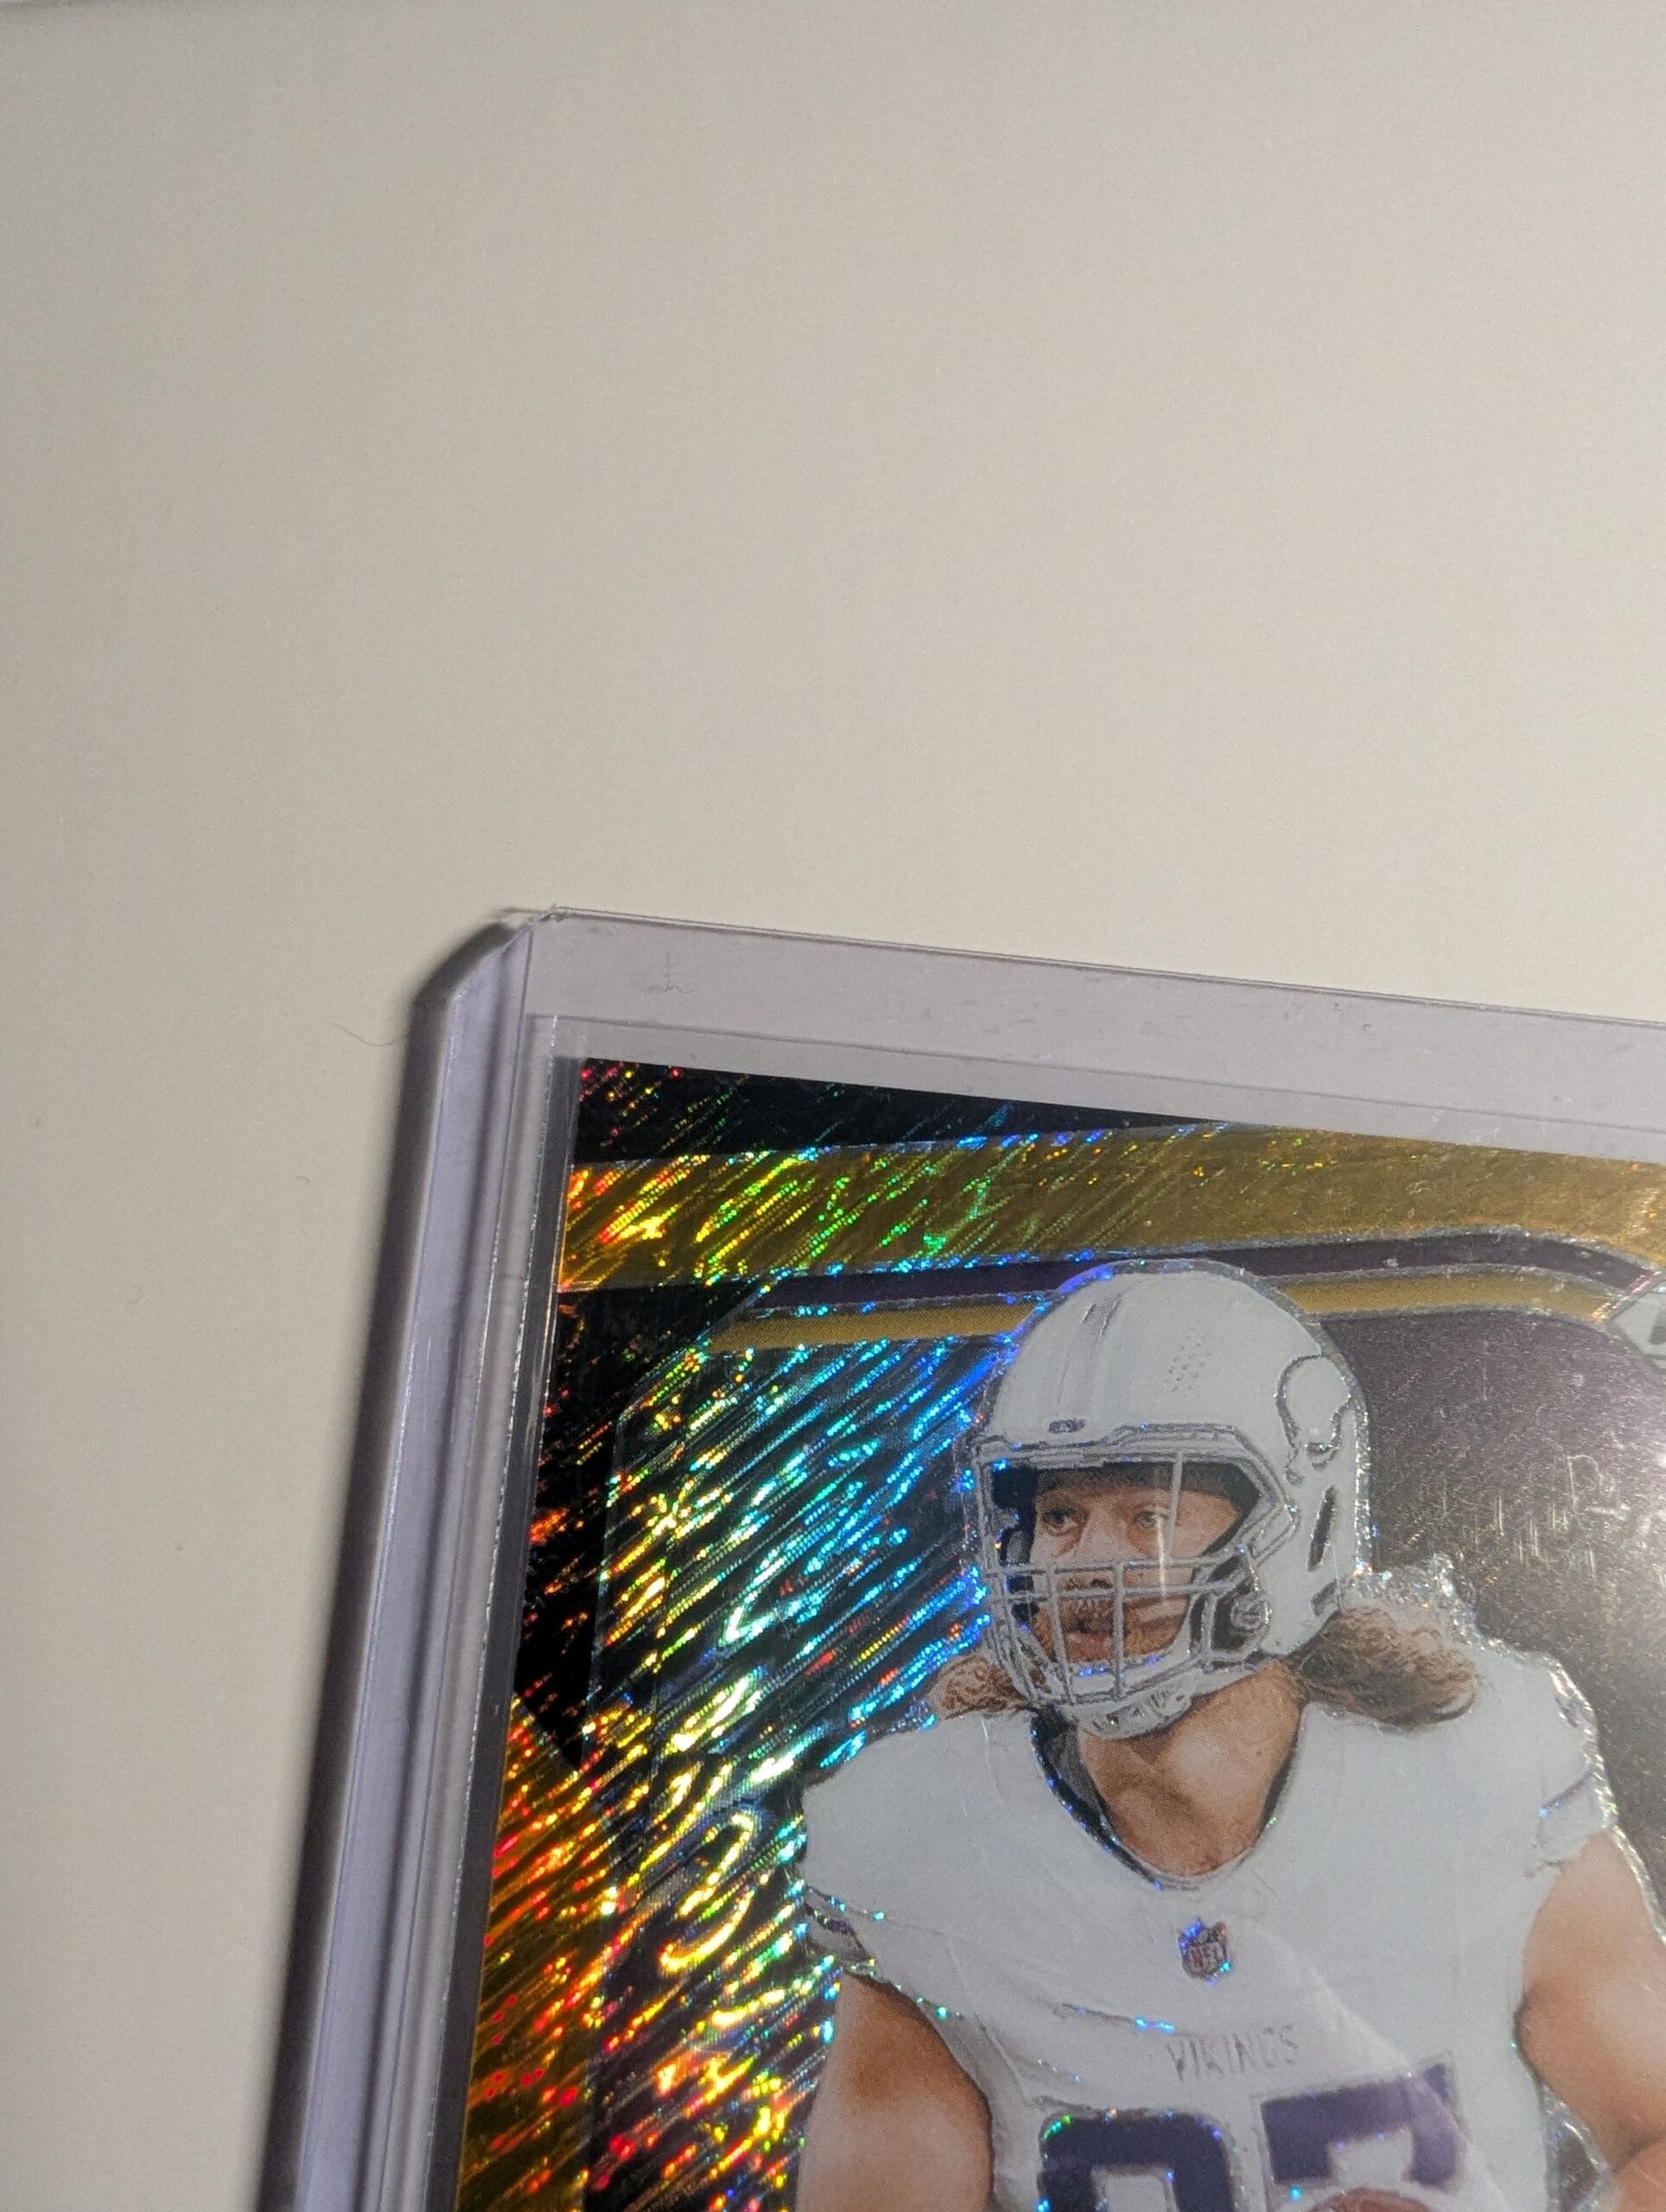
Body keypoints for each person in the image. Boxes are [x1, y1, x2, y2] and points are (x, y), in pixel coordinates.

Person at [794, 1262, 1666, 2212]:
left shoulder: (1475, 1779)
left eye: (1148, 1515)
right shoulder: (934, 1846)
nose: (1086, 1564)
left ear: (1305, 1523)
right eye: (1059, 1515)